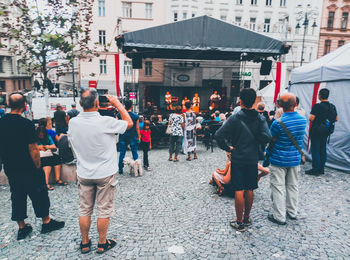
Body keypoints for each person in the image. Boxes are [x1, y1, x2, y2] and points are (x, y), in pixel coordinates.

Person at [68, 88, 133, 254]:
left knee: (84, 209)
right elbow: (129, 123)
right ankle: (102, 243)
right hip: (105, 172)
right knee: (104, 210)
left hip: (84, 172)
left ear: (81, 104)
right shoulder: (105, 122)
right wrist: (118, 104)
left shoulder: (73, 122)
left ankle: (85, 243)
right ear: (97, 103)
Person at [0, 92, 64, 241]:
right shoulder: (27, 124)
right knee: (39, 193)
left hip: (11, 166)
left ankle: (22, 227)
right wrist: (37, 166)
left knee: (17, 195)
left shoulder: (1, 123)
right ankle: (46, 222)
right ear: (24, 106)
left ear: (8, 105)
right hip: (28, 166)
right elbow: (33, 149)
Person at [215, 88, 271, 232]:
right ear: (254, 101)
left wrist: (227, 148)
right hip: (252, 158)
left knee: (239, 189)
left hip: (238, 157)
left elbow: (218, 135)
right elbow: (267, 136)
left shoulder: (235, 118)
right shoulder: (260, 118)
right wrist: (255, 141)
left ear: (241, 101)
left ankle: (239, 222)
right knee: (250, 188)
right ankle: (247, 218)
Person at [268, 93, 307, 225]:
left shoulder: (277, 123)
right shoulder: (303, 120)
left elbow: (272, 139)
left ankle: (279, 216)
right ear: (295, 104)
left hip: (279, 158)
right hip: (295, 158)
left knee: (278, 187)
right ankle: (292, 212)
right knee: (293, 186)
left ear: (279, 105)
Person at [306, 88, 338, 176]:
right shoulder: (332, 106)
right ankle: (321, 169)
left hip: (317, 130)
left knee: (315, 149)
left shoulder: (317, 106)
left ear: (319, 95)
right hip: (327, 131)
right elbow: (336, 119)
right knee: (322, 149)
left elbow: (311, 118)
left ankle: (315, 169)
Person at [36, 126, 66, 190]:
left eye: (42, 135)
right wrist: (39, 147)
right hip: (39, 156)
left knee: (57, 159)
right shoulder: (34, 138)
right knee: (47, 163)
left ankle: (57, 179)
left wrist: (47, 147)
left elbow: (54, 146)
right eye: (40, 135)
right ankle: (46, 183)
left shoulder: (48, 137)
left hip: (47, 154)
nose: (41, 136)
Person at [117, 99, 140, 174]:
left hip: (123, 135)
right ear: (131, 106)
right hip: (132, 135)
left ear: (124, 106)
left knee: (122, 152)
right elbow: (137, 128)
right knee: (134, 152)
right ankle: (137, 167)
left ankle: (120, 168)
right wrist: (139, 136)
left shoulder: (119, 115)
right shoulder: (135, 116)